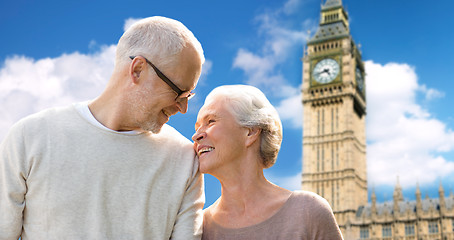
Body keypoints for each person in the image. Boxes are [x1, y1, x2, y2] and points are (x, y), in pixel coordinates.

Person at [0, 16, 205, 239]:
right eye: (179, 92)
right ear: (137, 70)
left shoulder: (185, 160)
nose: (183, 108)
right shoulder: (30, 137)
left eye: (189, 96)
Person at [192, 85, 343, 240]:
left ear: (250, 132)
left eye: (210, 121)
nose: (196, 136)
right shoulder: (199, 228)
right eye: (196, 128)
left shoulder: (308, 212)